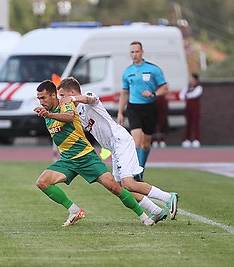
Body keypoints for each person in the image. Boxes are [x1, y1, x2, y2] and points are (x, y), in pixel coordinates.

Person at [34, 80, 155, 227]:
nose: (41, 102)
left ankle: (144, 217)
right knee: (42, 182)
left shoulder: (64, 104)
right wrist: (48, 114)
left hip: (86, 157)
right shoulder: (46, 113)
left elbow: (70, 117)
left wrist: (49, 115)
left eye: (43, 98)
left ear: (54, 95)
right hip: (68, 160)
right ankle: (74, 210)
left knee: (115, 188)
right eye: (39, 98)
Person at [57, 77, 179, 222]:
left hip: (120, 141)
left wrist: (71, 98)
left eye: (62, 95)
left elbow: (90, 99)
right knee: (121, 188)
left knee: (129, 183)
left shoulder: (87, 98)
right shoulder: (75, 111)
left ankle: (168, 197)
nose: (62, 99)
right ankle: (156, 211)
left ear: (71, 92)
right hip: (113, 147)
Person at [118, 41, 169, 181]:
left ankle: (141, 167)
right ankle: (136, 171)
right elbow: (124, 93)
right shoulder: (127, 72)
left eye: (137, 52)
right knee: (137, 140)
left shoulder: (153, 69)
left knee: (146, 144)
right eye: (132, 52)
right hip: (133, 108)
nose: (134, 54)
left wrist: (153, 94)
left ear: (142, 52)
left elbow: (165, 88)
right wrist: (120, 112)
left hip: (149, 108)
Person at [179, 73, 203, 148]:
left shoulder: (199, 87)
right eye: (190, 79)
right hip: (188, 108)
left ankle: (196, 139)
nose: (190, 81)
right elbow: (181, 95)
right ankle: (188, 139)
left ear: (196, 80)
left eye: (192, 79)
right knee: (188, 123)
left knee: (195, 123)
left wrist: (187, 95)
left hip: (195, 108)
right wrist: (184, 96)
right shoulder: (187, 87)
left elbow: (194, 94)